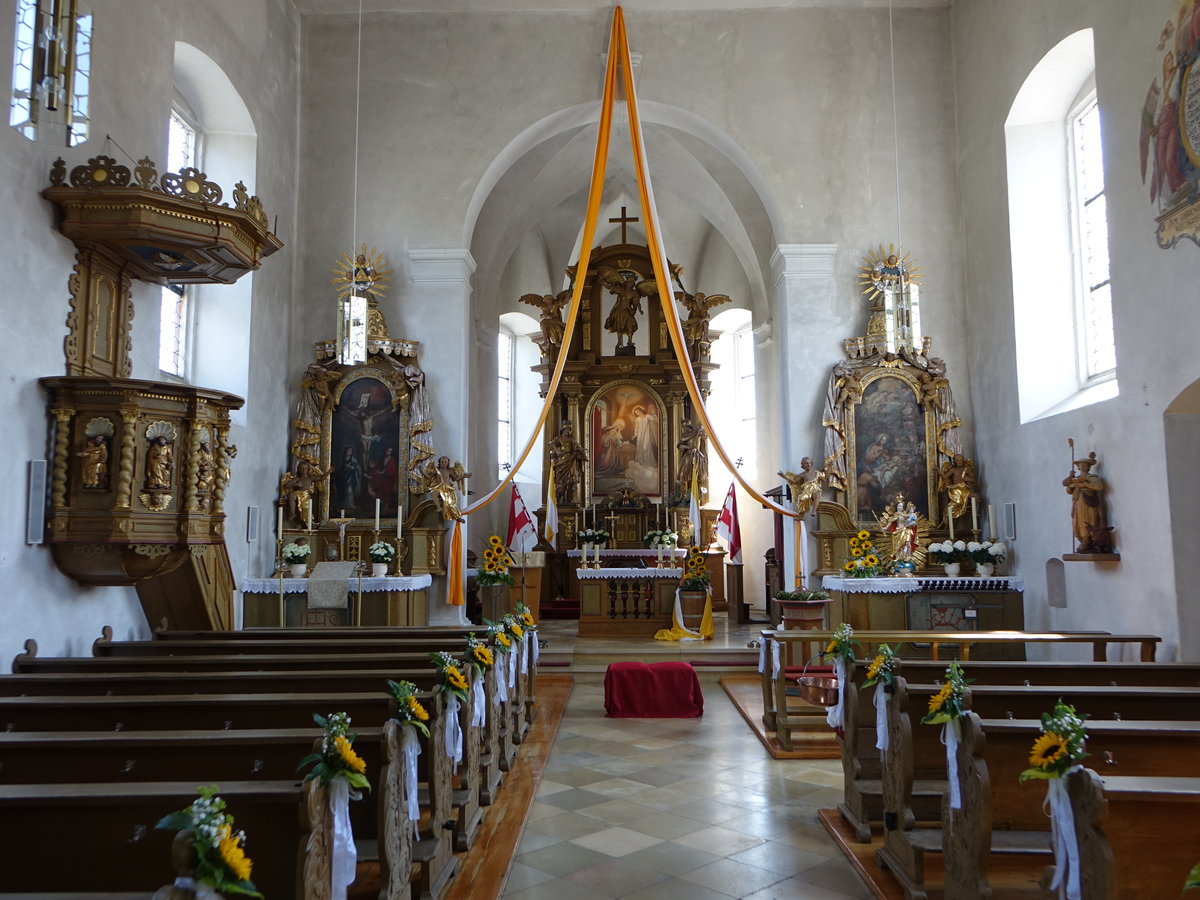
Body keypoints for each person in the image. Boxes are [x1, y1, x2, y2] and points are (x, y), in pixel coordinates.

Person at [1063, 452, 1108, 553]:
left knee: (1089, 520)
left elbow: (1099, 486)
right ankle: (1082, 539)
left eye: (1085, 465)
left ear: (1088, 467)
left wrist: (1085, 485)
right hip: (1078, 503)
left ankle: (1088, 540)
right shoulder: (1076, 479)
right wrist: (1072, 485)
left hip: (1088, 502)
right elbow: (1068, 490)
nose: (1083, 467)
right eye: (1081, 466)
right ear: (1078, 467)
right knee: (1078, 522)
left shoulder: (1092, 478)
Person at [548, 423, 587, 502]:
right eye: (566, 430)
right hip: (561, 461)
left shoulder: (571, 440)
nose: (568, 432)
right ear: (562, 431)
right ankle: (561, 498)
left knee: (572, 480)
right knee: (561, 483)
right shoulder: (558, 439)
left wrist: (580, 450)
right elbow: (551, 443)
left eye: (569, 430)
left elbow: (577, 446)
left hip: (570, 460)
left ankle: (572, 498)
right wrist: (557, 451)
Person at [425, 455, 470, 522]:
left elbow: (455, 478)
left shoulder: (449, 471)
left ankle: (457, 517)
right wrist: (422, 471)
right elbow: (429, 477)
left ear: (448, 463)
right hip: (439, 487)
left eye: (445, 462)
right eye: (442, 462)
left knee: (450, 503)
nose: (443, 463)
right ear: (439, 462)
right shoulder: (436, 470)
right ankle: (438, 507)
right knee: (433, 493)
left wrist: (463, 476)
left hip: (447, 489)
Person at [937, 453, 977, 521]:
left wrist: (968, 479)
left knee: (976, 496)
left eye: (960, 460)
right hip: (956, 489)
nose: (959, 462)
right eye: (957, 460)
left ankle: (974, 512)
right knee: (958, 501)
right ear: (954, 461)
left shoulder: (966, 469)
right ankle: (946, 513)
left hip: (964, 488)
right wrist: (938, 471)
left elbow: (974, 481)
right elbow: (945, 477)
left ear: (963, 461)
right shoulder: (953, 470)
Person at [676, 419, 707, 497]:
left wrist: (701, 430)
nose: (684, 429)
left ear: (689, 427)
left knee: (696, 475)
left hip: (696, 455)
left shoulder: (697, 432)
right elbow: (680, 445)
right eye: (683, 427)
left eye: (685, 427)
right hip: (688, 454)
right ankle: (683, 495)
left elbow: (705, 437)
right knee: (683, 474)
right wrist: (689, 446)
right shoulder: (685, 436)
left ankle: (696, 495)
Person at [370, 446, 399, 514]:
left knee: (387, 492)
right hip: (382, 479)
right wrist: (376, 470)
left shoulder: (392, 460)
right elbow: (378, 466)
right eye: (387, 450)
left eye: (390, 451)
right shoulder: (382, 459)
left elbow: (392, 470)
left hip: (388, 479)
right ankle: (380, 508)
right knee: (380, 492)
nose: (388, 452)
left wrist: (384, 472)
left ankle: (386, 507)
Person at [334, 446, 364, 510]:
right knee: (343, 490)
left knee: (349, 490)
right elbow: (339, 468)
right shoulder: (342, 458)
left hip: (350, 477)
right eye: (348, 450)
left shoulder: (353, 459)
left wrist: (350, 467)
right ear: (346, 451)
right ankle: (344, 503)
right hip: (343, 477)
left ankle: (350, 504)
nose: (349, 452)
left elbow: (357, 467)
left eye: (350, 451)